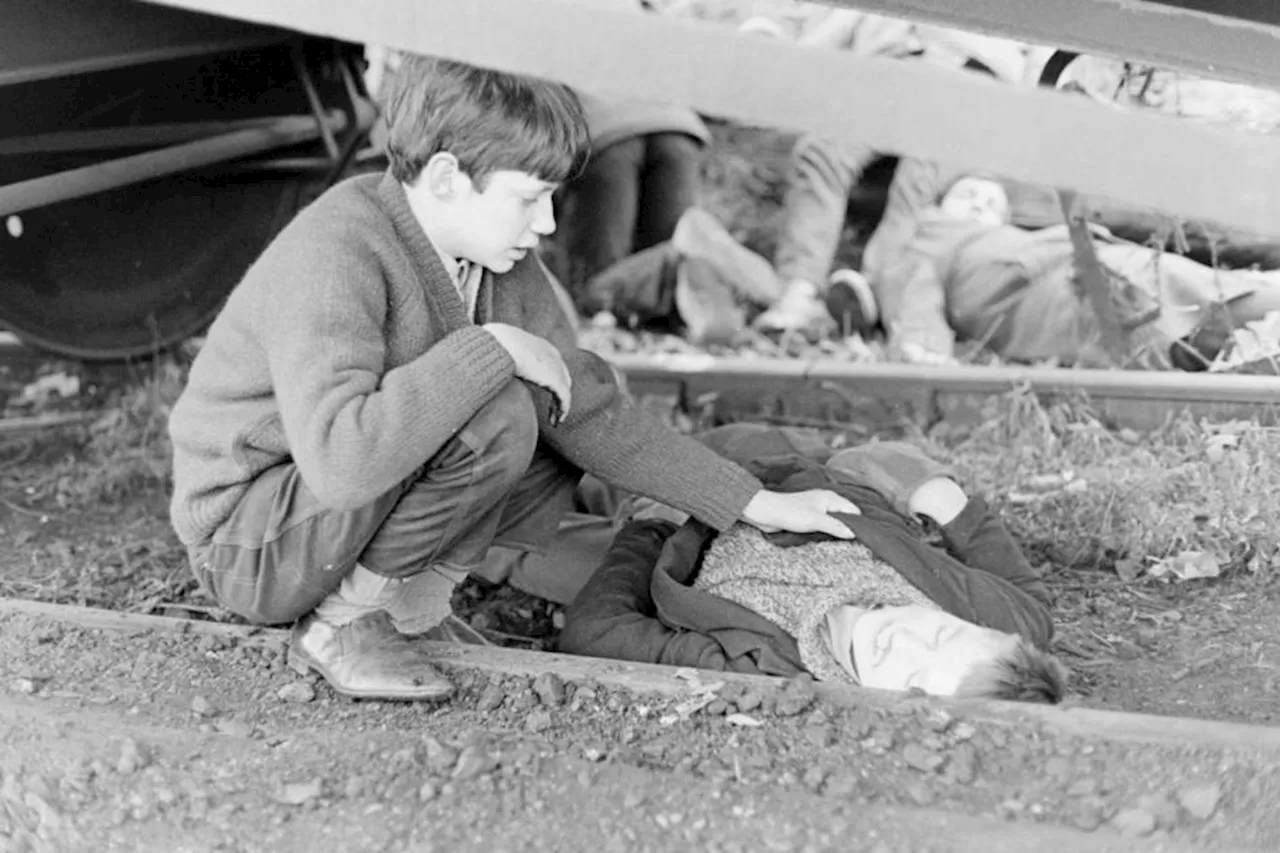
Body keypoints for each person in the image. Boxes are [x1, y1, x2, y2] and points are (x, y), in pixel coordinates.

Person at [166, 55, 864, 703]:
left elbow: (588, 410)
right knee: (498, 407)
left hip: (319, 516)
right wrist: (491, 347)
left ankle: (410, 612)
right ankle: (341, 623)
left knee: (550, 405)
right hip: (250, 540)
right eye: (531, 198)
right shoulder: (336, 250)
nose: (550, 222)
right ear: (445, 178)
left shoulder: (489, 253)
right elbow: (343, 464)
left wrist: (751, 503)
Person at [559, 424, 1067, 703]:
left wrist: (654, 527)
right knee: (610, 426)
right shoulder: (1009, 624)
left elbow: (595, 634)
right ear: (967, 624)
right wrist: (942, 498)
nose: (904, 640)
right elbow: (1030, 599)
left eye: (913, 672)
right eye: (941, 636)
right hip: (797, 469)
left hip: (679, 522)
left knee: (531, 532)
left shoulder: (769, 668)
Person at [740, 5, 1030, 336]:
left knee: (920, 173)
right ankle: (799, 291)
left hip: (969, 81)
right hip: (884, 80)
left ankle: (878, 293)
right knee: (820, 152)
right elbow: (797, 27)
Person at [860, 159, 1280, 368]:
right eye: (968, 194)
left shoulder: (1015, 234)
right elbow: (911, 286)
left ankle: (1232, 329)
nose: (978, 203)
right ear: (942, 202)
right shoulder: (931, 234)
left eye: (990, 202)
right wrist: (924, 349)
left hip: (1081, 259)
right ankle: (1200, 351)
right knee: (1126, 306)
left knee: (1173, 278)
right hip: (1032, 292)